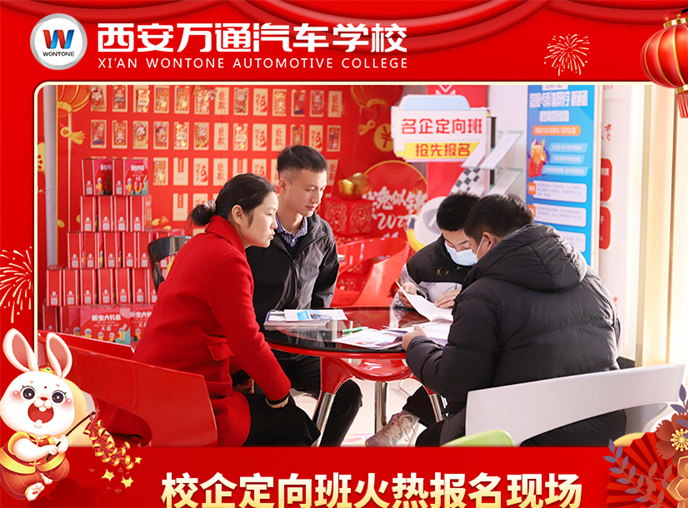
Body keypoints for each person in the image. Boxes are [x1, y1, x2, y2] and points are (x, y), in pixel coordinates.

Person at [102, 174, 319, 446]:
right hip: (184, 400)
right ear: (238, 214)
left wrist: (246, 376)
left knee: (276, 412)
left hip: (156, 386)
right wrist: (281, 394)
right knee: (296, 425)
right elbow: (247, 341)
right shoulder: (228, 260)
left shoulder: (199, 243)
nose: (275, 224)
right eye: (269, 214)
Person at [402, 194, 626, 446]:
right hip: (602, 432)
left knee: (428, 442)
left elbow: (453, 382)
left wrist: (417, 344)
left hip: (525, 435)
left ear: (487, 241)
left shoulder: (482, 295)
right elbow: (612, 344)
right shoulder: (592, 280)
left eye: (471, 249)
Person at [245, 145, 362, 446]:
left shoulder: (322, 233)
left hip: (303, 350)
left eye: (321, 189)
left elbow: (324, 290)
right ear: (282, 185)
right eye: (309, 189)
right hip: (261, 351)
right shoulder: (255, 233)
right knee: (278, 417)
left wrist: (318, 335)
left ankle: (321, 462)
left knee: (349, 395)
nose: (317, 198)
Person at [366, 192, 480, 447]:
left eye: (464, 245)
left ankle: (407, 418)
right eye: (449, 244)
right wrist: (410, 298)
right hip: (435, 341)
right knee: (449, 365)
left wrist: (469, 298)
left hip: (476, 345)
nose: (458, 251)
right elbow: (400, 315)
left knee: (458, 368)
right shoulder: (422, 263)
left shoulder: (495, 260)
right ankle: (411, 420)